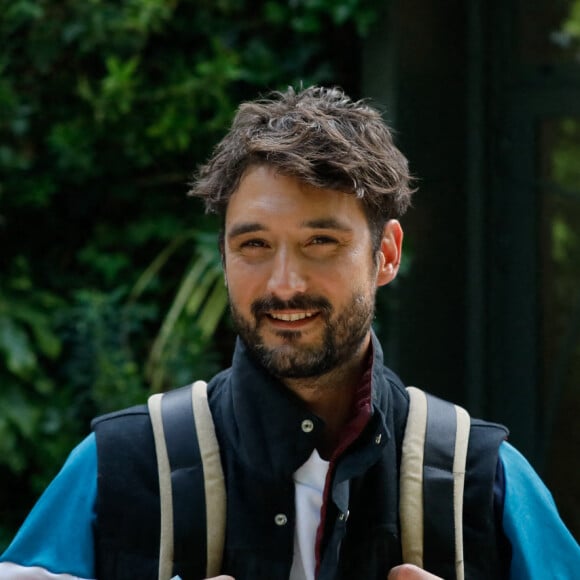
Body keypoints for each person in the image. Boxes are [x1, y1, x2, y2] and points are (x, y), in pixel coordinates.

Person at [0, 86, 578, 580]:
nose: (283, 284)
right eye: (253, 245)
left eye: (319, 242)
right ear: (225, 256)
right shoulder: (116, 466)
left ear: (387, 254)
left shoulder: (483, 476)